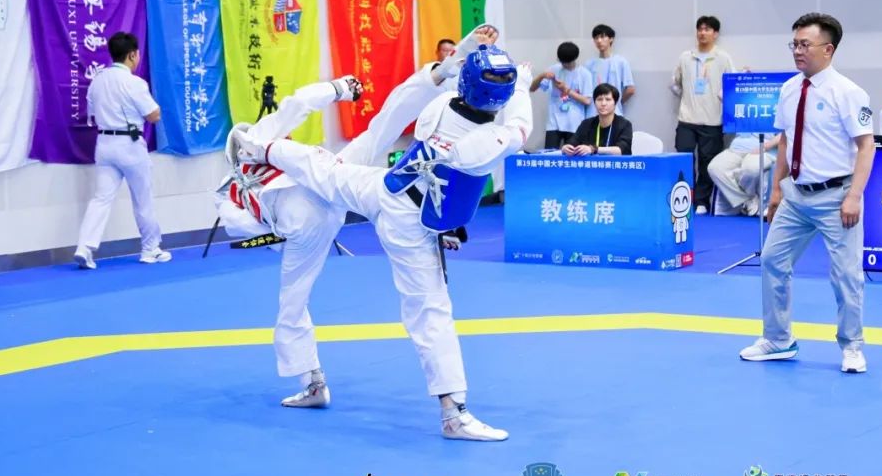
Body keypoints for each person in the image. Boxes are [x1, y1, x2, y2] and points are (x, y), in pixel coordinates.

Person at [237, 29, 530, 441]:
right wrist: (521, 84)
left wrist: (453, 63)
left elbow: (402, 103)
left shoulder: (440, 108)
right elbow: (519, 125)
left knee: (323, 166)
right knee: (430, 311)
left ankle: (260, 149)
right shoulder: (487, 141)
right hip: (407, 224)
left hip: (383, 189)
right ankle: (453, 413)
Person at [739, 13, 875, 374]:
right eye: (794, 44)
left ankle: (852, 346)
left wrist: (854, 196)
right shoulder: (789, 89)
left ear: (828, 49)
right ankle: (778, 339)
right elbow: (786, 141)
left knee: (846, 275)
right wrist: (775, 192)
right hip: (796, 196)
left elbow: (867, 146)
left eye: (805, 45)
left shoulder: (848, 93)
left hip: (837, 196)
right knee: (772, 261)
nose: (797, 51)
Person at [74, 32, 171, 270]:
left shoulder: (98, 80)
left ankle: (84, 248)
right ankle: (150, 249)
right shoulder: (134, 83)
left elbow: (92, 114)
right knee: (142, 198)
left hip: (104, 144)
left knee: (101, 198)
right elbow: (153, 115)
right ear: (132, 55)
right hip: (130, 145)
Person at [671, 15, 736, 215]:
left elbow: (731, 85)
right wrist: (687, 96)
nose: (702, 33)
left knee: (707, 162)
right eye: (700, 29)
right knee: (684, 157)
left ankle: (701, 201)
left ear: (715, 34)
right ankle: (685, 197)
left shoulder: (723, 58)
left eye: (707, 29)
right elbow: (675, 84)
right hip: (687, 119)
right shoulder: (686, 57)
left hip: (712, 120)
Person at [532, 41, 593, 149]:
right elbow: (532, 88)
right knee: (550, 155)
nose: (565, 65)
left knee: (573, 156)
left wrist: (567, 90)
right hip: (553, 123)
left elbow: (587, 101)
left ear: (575, 58)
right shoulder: (553, 69)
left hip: (575, 124)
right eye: (562, 62)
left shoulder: (585, 74)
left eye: (567, 62)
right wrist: (542, 76)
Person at [708, 132, 778, 216]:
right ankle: (746, 200)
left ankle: (750, 199)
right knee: (714, 167)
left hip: (765, 149)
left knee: (751, 169)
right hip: (736, 148)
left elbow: (784, 135)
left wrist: (765, 146)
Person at [562, 83, 633, 156]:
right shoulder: (586, 124)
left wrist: (593, 149)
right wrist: (565, 147)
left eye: (608, 99)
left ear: (615, 103)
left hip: (615, 163)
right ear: (594, 103)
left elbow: (621, 150)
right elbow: (572, 142)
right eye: (599, 99)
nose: (603, 103)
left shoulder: (625, 124)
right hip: (590, 163)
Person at [585, 24, 635, 118]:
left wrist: (616, 102)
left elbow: (630, 89)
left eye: (602, 37)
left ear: (611, 39)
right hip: (593, 113)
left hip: (615, 113)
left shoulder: (621, 62)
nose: (599, 41)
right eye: (596, 38)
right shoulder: (589, 64)